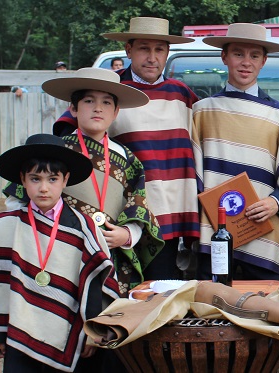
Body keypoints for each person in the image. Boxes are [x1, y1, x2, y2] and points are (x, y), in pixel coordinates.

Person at [53, 17, 200, 280]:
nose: (152, 57)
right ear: (129, 50)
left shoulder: (182, 95)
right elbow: (70, 139)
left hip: (169, 215)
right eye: (144, 48)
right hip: (118, 215)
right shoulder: (109, 91)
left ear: (168, 53)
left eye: (159, 49)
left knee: (162, 291)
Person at [0, 133, 120, 372]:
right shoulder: (7, 226)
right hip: (19, 329)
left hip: (72, 330)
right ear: (22, 180)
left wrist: (93, 331)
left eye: (52, 179)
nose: (43, 188)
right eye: (35, 178)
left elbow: (98, 282)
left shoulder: (84, 228)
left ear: (65, 179)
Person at [4, 68, 163, 297]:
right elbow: (16, 200)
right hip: (60, 250)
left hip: (108, 253)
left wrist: (128, 235)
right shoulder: (55, 151)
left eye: (106, 103)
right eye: (89, 101)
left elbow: (138, 205)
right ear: (73, 108)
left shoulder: (128, 159)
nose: (98, 108)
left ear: (116, 111)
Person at [192, 23, 279, 281]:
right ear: (224, 56)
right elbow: (191, 175)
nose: (246, 62)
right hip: (213, 229)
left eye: (254, 55)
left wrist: (276, 202)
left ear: (264, 60)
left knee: (264, 310)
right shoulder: (201, 111)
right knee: (210, 309)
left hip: (263, 230)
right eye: (238, 54)